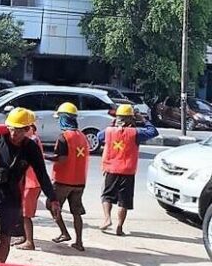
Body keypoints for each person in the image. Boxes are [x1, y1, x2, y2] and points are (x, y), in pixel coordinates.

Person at [0, 108, 60, 263]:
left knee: (5, 237)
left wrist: (53, 199)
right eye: (11, 129)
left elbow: (42, 175)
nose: (14, 134)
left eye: (18, 131)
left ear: (27, 130)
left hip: (12, 197)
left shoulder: (31, 148)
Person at [98, 104, 158, 236]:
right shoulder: (135, 133)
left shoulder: (109, 131)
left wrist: (112, 124)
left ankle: (107, 219)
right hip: (128, 171)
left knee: (107, 196)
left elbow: (98, 136)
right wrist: (143, 119)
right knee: (124, 200)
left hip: (111, 169)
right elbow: (153, 131)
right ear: (132, 119)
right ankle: (119, 227)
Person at [45, 102, 90, 251]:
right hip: (79, 181)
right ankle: (79, 242)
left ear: (63, 119)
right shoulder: (83, 136)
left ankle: (64, 232)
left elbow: (62, 158)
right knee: (76, 212)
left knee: (51, 205)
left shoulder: (64, 137)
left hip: (63, 181)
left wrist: (44, 156)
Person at [12, 120, 43, 251]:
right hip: (30, 181)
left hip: (31, 182)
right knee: (22, 212)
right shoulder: (33, 139)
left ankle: (30, 242)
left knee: (26, 214)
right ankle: (24, 237)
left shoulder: (31, 141)